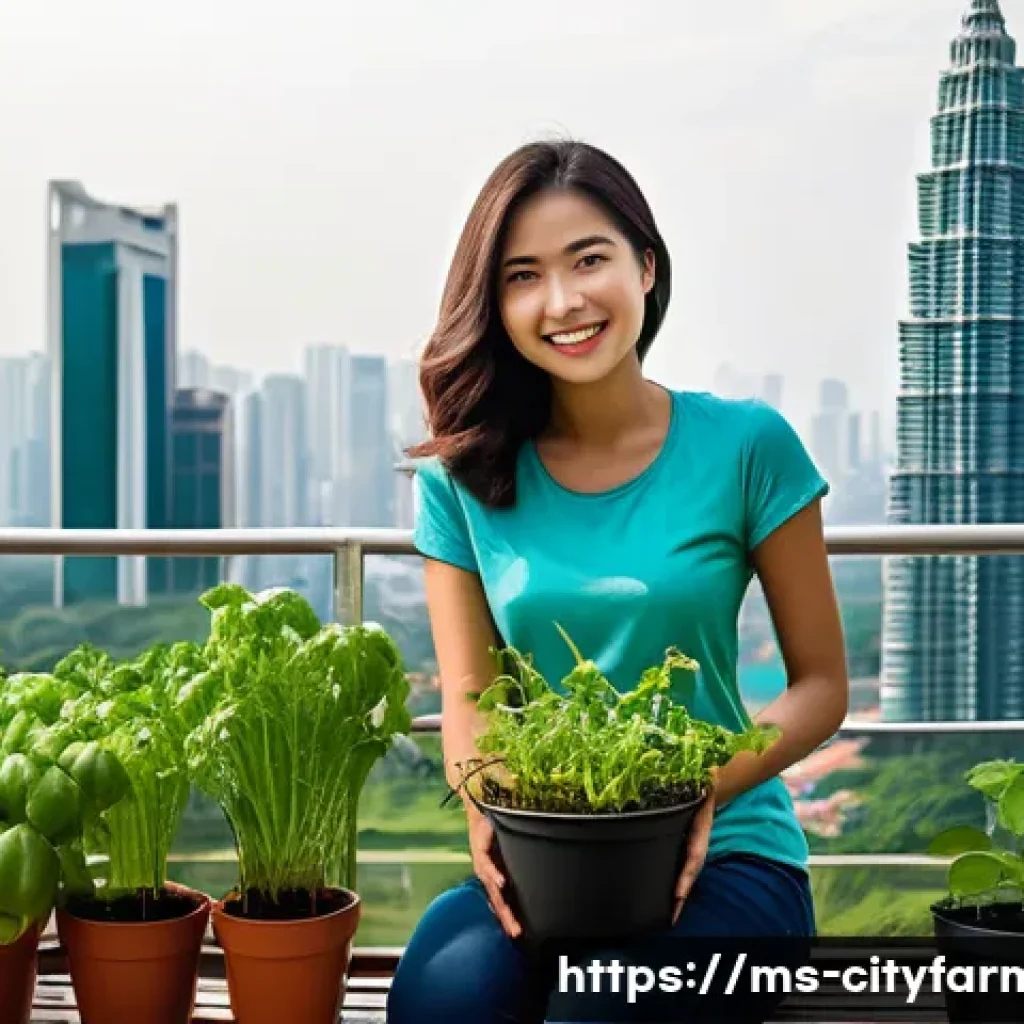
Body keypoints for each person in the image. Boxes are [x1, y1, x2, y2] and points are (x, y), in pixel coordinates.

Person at [387, 138, 849, 1024]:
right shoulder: (461, 477)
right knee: (442, 999)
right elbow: (470, 696)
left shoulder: (747, 445)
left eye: (588, 260)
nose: (563, 301)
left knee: (599, 1009)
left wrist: (698, 790)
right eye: (523, 276)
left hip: (731, 855)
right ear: (496, 304)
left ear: (645, 266)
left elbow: (823, 685)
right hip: (547, 853)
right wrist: (489, 808)